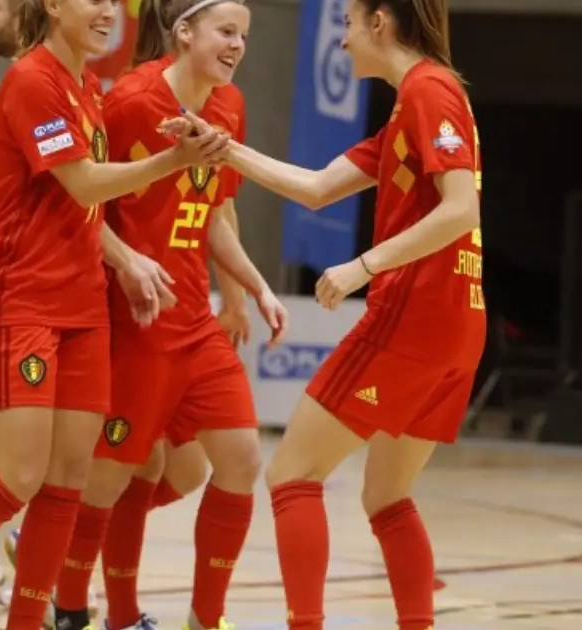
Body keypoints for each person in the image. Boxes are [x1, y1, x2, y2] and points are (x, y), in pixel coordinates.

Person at [0, 0, 231, 626]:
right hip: (21, 300)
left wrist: (125, 260)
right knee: (20, 476)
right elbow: (83, 183)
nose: (107, 11)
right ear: (52, 5)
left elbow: (85, 211)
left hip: (83, 304)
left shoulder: (88, 86)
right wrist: (173, 162)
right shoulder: (32, 79)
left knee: (68, 480)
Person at [211, 1, 484, 629]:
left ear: (379, 23)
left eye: (348, 24)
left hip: (413, 317)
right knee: (386, 496)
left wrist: (363, 265)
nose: (343, 41)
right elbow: (317, 187)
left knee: (291, 473)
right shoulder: (416, 102)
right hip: (456, 325)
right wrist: (223, 150)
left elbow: (460, 209)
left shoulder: (429, 90)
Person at [33, 3, 288, 629]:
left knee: (240, 461)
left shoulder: (229, 105)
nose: (238, 45)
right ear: (185, 32)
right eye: (226, 32)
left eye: (245, 36)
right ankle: (70, 605)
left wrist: (252, 287)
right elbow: (78, 200)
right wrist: (127, 262)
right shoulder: (129, 101)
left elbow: (215, 212)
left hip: (193, 318)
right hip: (135, 322)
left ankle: (205, 619)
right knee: (112, 476)